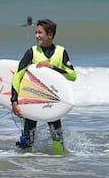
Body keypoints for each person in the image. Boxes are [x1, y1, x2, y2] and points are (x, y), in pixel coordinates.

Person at [11, 19, 77, 154]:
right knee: (28, 142)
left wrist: (52, 67)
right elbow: (17, 76)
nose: (36, 36)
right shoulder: (32, 52)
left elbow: (72, 76)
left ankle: (58, 170)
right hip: (31, 100)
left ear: (50, 35)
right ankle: (25, 170)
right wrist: (14, 101)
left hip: (53, 101)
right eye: (35, 32)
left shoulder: (61, 51)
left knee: (58, 141)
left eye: (40, 33)